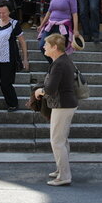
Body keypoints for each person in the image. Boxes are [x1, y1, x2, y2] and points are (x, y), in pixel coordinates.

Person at [34, 33, 79, 186]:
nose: (44, 47)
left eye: (46, 45)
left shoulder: (59, 64)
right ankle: (61, 169)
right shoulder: (63, 60)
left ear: (54, 47)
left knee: (57, 141)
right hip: (66, 103)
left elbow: (51, 89)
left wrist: (39, 92)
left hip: (62, 105)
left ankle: (64, 175)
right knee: (62, 140)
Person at [38, 0, 79, 64]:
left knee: (59, 49)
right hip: (51, 24)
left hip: (63, 26)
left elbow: (74, 14)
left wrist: (76, 29)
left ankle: (58, 67)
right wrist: (41, 25)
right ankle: (54, 64)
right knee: (42, 45)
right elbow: (49, 11)